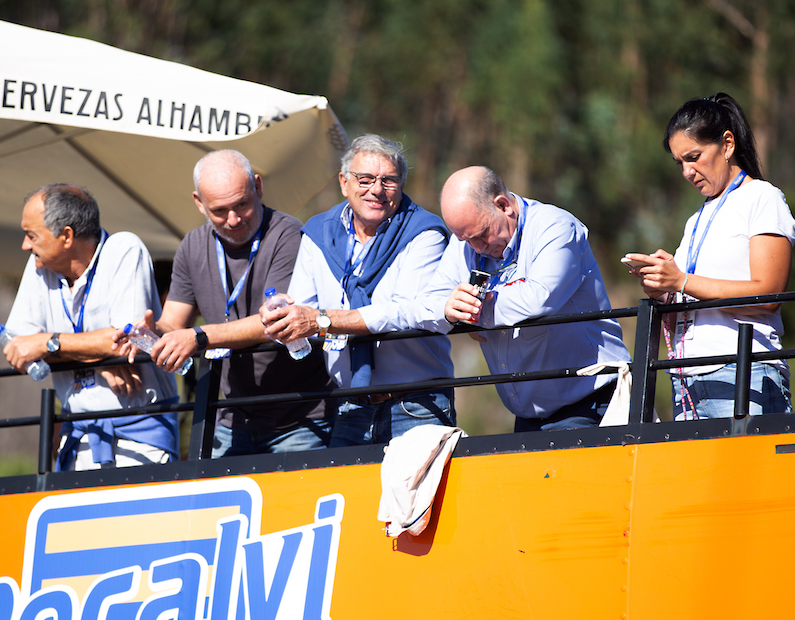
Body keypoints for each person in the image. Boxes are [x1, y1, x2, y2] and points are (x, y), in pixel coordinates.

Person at [114, 150, 335, 456]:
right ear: (198, 202)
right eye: (219, 211)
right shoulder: (192, 245)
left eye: (242, 204)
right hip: (232, 418)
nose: (233, 219)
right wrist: (151, 333)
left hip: (301, 417)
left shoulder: (289, 234)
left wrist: (198, 337)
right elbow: (174, 322)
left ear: (258, 187)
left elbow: (275, 321)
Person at [261, 134, 455, 447]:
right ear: (344, 182)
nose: (376, 190)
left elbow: (405, 312)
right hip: (350, 404)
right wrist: (283, 315)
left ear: (401, 185)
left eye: (388, 180)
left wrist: (321, 320)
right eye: (365, 179)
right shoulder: (318, 233)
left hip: (417, 403)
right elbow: (303, 314)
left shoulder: (425, 234)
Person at [411, 166, 631, 431]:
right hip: (529, 416)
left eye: (482, 234)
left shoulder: (556, 226)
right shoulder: (467, 241)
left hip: (590, 403)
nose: (476, 248)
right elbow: (428, 303)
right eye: (465, 239)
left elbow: (539, 298)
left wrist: (472, 312)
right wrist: (449, 310)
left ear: (503, 205)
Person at [624, 93, 794, 420]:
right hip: (687, 378)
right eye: (680, 163)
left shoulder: (763, 197)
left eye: (694, 157)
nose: (687, 172)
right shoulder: (696, 218)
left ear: (727, 144)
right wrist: (663, 287)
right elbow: (690, 291)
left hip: (743, 372)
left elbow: (769, 295)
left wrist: (681, 280)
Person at [4, 183, 179, 469]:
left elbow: (126, 341)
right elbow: (17, 349)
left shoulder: (124, 248)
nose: (25, 245)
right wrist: (98, 360)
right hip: (77, 437)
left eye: (31, 235)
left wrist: (48, 343)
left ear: (66, 236)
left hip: (140, 437)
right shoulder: (38, 265)